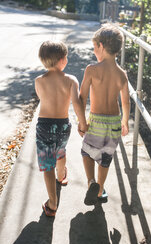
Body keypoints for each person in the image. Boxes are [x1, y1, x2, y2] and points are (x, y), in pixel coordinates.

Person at [79, 24, 130, 205]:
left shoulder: (92, 70)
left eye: (94, 48)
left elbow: (81, 97)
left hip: (97, 120)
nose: (94, 52)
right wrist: (125, 121)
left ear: (100, 46)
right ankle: (100, 190)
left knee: (87, 151)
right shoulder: (122, 74)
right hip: (115, 122)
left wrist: (82, 121)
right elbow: (125, 101)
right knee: (106, 157)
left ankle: (91, 182)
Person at [35, 40, 87, 216]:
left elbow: (42, 98)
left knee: (47, 163)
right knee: (60, 151)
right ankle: (61, 176)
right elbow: (77, 104)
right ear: (62, 60)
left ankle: (52, 203)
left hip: (44, 126)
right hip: (63, 125)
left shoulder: (39, 81)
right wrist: (83, 123)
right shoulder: (71, 80)